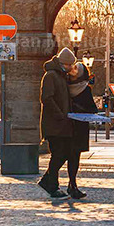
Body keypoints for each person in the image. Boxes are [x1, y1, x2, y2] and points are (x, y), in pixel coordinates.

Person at [37, 47, 78, 201]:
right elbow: (46, 98)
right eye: (69, 65)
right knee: (59, 154)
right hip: (55, 124)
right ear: (63, 63)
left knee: (63, 154)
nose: (70, 68)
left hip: (61, 124)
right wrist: (60, 115)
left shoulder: (60, 76)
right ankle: (52, 185)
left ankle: (48, 181)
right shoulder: (51, 76)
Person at [64, 60, 95, 199]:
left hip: (68, 125)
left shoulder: (65, 86)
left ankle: (72, 184)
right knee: (74, 157)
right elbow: (92, 109)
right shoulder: (85, 88)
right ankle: (72, 185)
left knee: (70, 156)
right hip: (80, 127)